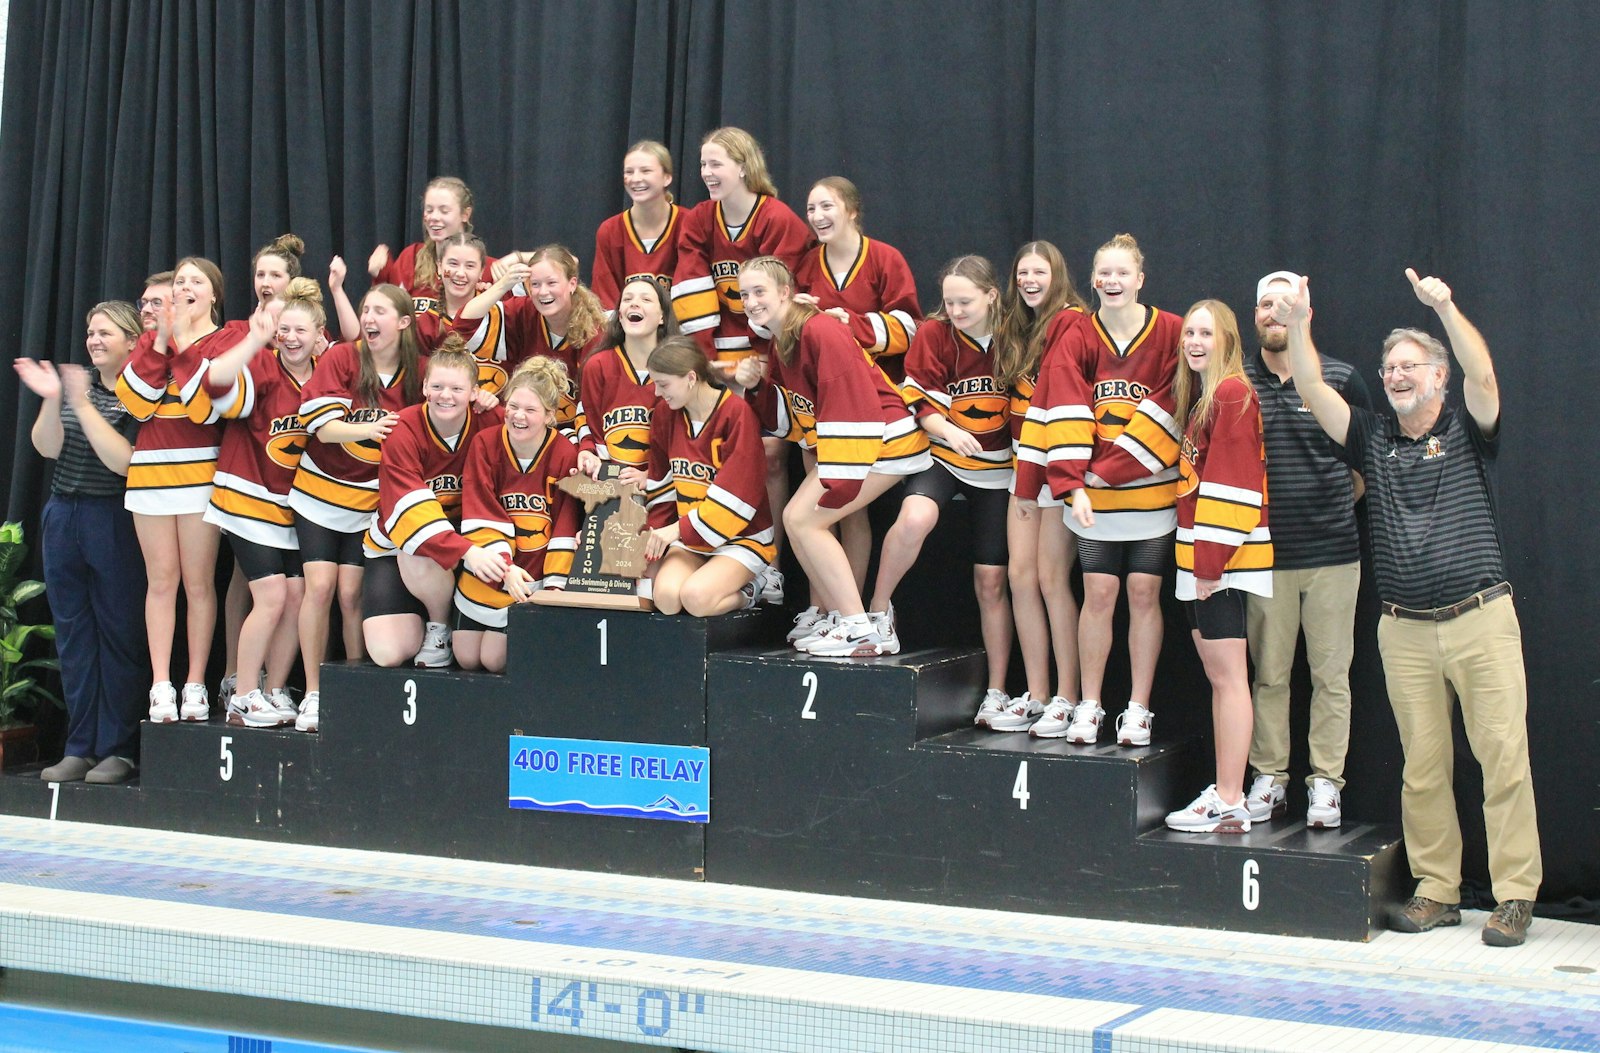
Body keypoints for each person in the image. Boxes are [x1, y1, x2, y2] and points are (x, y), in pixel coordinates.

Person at [1276, 269, 1541, 947]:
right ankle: (1437, 891)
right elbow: (1310, 387)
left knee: (1502, 756)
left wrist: (1445, 306)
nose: (1394, 375)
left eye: (1409, 366)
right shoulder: (1369, 436)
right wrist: (1301, 322)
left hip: (1480, 617)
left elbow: (1484, 377)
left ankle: (1513, 895)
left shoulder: (1466, 428)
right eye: (1388, 366)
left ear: (1438, 377)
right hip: (1405, 630)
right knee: (1423, 765)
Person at [1014, 234, 1181, 746]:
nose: (1112, 282)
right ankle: (1090, 703)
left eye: (1122, 274)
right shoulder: (1078, 333)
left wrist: (1107, 471)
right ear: (1092, 280)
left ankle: (1138, 708)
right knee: (1100, 592)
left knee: (1143, 592)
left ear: (1140, 279)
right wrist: (1072, 484)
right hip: (1091, 495)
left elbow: (1176, 403)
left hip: (1149, 492)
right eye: (1103, 274)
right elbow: (1060, 403)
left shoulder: (1172, 331)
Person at [734, 257, 930, 657]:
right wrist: (756, 389)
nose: (751, 302)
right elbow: (795, 416)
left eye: (760, 292)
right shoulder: (783, 339)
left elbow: (853, 400)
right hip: (858, 445)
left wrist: (840, 477)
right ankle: (848, 620)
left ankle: (861, 627)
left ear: (785, 292)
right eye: (743, 294)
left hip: (884, 442)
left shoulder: (820, 329)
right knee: (796, 517)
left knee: (805, 520)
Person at [1242, 271, 1371, 828]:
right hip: (1262, 558)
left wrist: (1332, 503)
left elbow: (1368, 466)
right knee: (1269, 676)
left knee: (1331, 677)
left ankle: (1325, 785)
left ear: (1306, 314)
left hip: (1334, 556)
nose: (1274, 313)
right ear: (1254, 316)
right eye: (1265, 304)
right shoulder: (1234, 380)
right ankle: (1269, 778)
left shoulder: (1341, 377)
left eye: (1286, 304)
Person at [868, 256, 1014, 713]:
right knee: (914, 515)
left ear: (992, 295)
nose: (955, 309)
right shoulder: (934, 334)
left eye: (965, 301)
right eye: (949, 301)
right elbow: (916, 400)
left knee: (991, 581)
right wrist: (949, 430)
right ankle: (874, 615)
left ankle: (997, 689)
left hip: (1001, 471)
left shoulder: (1017, 336)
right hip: (946, 456)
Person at [672, 128, 811, 588]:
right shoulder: (698, 218)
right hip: (717, 358)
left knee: (771, 454)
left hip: (770, 353)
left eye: (717, 164)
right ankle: (721, 551)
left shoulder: (779, 220)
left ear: (744, 166)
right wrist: (711, 363)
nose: (707, 173)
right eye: (703, 165)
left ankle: (769, 565)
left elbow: (779, 303)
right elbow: (691, 288)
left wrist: (759, 364)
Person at [13, 302, 145, 783]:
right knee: (73, 636)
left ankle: (119, 748)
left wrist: (84, 403)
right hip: (62, 513)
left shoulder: (139, 393)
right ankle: (80, 745)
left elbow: (123, 462)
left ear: (132, 340)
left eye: (104, 332)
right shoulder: (76, 386)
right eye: (90, 332)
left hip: (110, 517)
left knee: (118, 634)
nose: (93, 340)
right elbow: (46, 447)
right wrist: (53, 398)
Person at [786, 176, 921, 640]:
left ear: (852, 210)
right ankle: (823, 609)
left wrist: (855, 326)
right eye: (811, 208)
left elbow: (911, 327)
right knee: (821, 512)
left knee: (841, 511)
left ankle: (852, 613)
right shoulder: (806, 265)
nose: (819, 216)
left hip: (870, 406)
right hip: (821, 406)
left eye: (827, 206)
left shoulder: (884, 258)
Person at [116, 257, 249, 723]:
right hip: (151, 476)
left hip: (199, 475)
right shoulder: (155, 338)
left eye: (196, 281)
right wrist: (161, 339)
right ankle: (161, 686)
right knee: (161, 582)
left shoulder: (227, 337)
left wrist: (184, 344)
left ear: (213, 294)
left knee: (198, 583)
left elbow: (202, 411)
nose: (185, 287)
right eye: (179, 281)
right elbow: (136, 402)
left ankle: (195, 682)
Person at [290, 285, 428, 730]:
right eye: (365, 310)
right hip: (318, 495)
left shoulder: (418, 372)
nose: (369, 318)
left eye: (380, 312)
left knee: (352, 594)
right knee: (320, 587)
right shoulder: (342, 358)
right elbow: (322, 430)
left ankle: (348, 689)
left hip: (369, 501)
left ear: (404, 323)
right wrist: (368, 429)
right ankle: (313, 691)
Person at [1162, 301, 1272, 833]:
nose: (1194, 341)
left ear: (1228, 339)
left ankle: (1230, 795)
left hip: (1221, 562)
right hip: (1199, 558)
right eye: (1188, 333)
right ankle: (1226, 789)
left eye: (1206, 332)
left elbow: (1235, 485)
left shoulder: (1232, 393)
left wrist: (1210, 565)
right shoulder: (1204, 395)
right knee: (1218, 677)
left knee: (1230, 679)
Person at [202, 282, 325, 729]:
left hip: (293, 505)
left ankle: (274, 690)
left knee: (297, 596)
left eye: (301, 330)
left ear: (319, 335)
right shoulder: (262, 367)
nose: (291, 337)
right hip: (245, 495)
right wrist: (254, 338)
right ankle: (242, 692)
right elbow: (215, 383)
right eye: (284, 329)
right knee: (272, 595)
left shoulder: (326, 375)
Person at [988, 241, 1086, 732]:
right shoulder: (1015, 325)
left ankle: (1069, 695)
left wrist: (1052, 477)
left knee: (1051, 579)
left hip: (1057, 470)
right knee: (1019, 577)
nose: (1029, 280)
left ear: (1057, 275)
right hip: (1021, 466)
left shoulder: (1070, 321)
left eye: (1039, 272)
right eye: (1022, 272)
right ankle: (1038, 692)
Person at [361, 341, 506, 668]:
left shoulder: (491, 419)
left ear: (474, 392)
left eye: (457, 388)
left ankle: (442, 624)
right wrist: (468, 552)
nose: (446, 395)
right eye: (437, 386)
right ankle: (438, 620)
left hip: (467, 538)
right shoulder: (403, 427)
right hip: (402, 545)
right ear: (424, 386)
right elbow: (410, 515)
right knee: (390, 652)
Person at [453, 358, 580, 672]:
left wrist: (552, 589)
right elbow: (480, 508)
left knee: (493, 660)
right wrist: (504, 569)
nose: (518, 416)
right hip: (492, 569)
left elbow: (565, 522)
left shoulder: (564, 453)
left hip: (530, 582)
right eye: (512, 406)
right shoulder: (485, 443)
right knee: (467, 658)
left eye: (531, 410)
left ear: (550, 416)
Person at [643, 336, 776, 615]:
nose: (657, 393)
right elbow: (662, 486)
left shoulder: (736, 414)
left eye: (663, 384)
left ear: (691, 377)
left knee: (696, 599)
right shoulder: (665, 416)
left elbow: (738, 498)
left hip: (742, 537)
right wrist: (655, 538)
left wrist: (677, 530)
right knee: (665, 599)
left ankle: (753, 589)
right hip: (691, 537)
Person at [453, 244, 606, 430]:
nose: (543, 292)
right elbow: (464, 325)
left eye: (552, 283)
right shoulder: (523, 311)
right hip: (525, 427)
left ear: (572, 284)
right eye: (535, 284)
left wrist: (517, 256)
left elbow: (595, 400)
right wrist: (503, 285)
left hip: (573, 432)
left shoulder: (594, 330)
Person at [574, 275, 679, 482]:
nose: (634, 303)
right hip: (611, 476)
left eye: (646, 300)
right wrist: (587, 450)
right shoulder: (598, 365)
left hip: (666, 481)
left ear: (662, 317)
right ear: (620, 315)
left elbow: (687, 433)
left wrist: (651, 476)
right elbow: (586, 415)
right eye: (627, 299)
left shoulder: (678, 368)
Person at [368, 176, 493, 314]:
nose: (434, 217)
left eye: (444, 211)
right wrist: (381, 277)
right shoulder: (411, 258)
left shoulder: (488, 269)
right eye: (429, 210)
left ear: (465, 214)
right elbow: (388, 316)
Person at [591, 140, 682, 312]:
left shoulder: (689, 224)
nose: (636, 179)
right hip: (628, 332)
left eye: (646, 171)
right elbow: (605, 298)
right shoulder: (610, 230)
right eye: (629, 172)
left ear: (667, 177)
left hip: (679, 333)